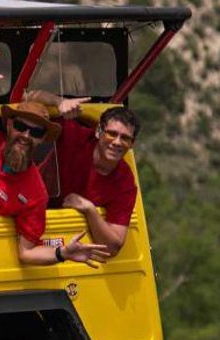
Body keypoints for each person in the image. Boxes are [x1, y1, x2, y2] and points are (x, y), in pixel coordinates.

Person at [0, 44, 109, 268]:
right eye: (21, 126)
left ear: (43, 139)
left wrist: (62, 253)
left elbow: (27, 252)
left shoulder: (35, 193)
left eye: (35, 132)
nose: (25, 135)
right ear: (9, 126)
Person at [22, 91, 141, 258]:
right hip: (26, 209)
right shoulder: (73, 135)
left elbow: (113, 246)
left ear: (132, 144)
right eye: (112, 134)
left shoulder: (125, 182)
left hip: (61, 241)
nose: (117, 142)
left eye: (125, 138)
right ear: (99, 131)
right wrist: (59, 102)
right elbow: (26, 97)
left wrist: (90, 210)